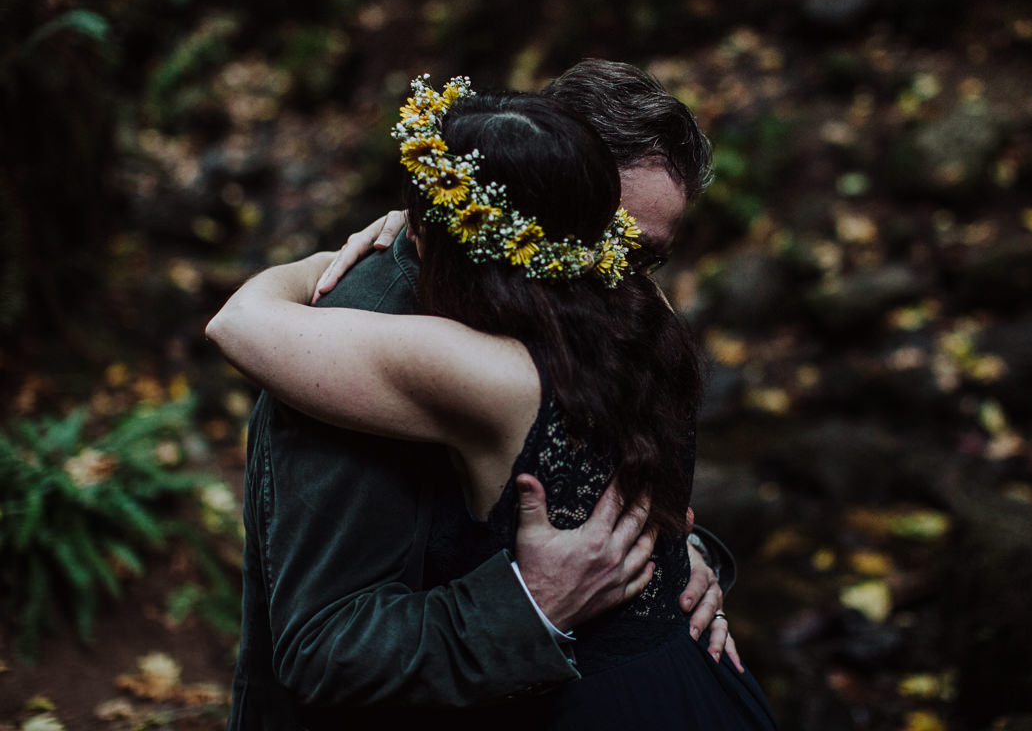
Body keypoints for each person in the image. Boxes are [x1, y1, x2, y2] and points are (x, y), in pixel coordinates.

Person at [208, 80, 776, 728]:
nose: (613, 265)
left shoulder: (619, 312)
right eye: (608, 233)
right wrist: (531, 607)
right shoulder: (377, 328)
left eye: (644, 256)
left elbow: (239, 320)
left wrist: (677, 554)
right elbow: (326, 643)